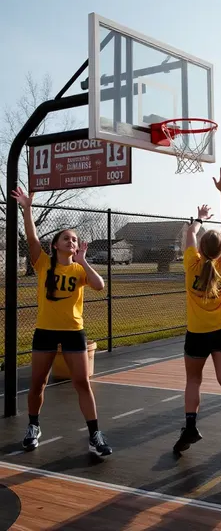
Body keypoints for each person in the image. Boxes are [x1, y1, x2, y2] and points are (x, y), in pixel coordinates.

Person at [11, 186, 112, 457]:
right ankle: (33, 426)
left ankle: (94, 435)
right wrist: (27, 208)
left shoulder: (80, 268)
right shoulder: (43, 263)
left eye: (75, 239)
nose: (72, 241)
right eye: (66, 238)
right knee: (38, 383)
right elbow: (32, 237)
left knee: (82, 383)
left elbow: (100, 286)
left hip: (73, 332)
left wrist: (85, 262)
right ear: (55, 244)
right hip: (45, 331)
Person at [173, 167, 221, 454]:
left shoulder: (191, 262)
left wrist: (199, 220)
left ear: (200, 249)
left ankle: (191, 426)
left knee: (193, 380)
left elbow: (190, 232)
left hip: (197, 333)